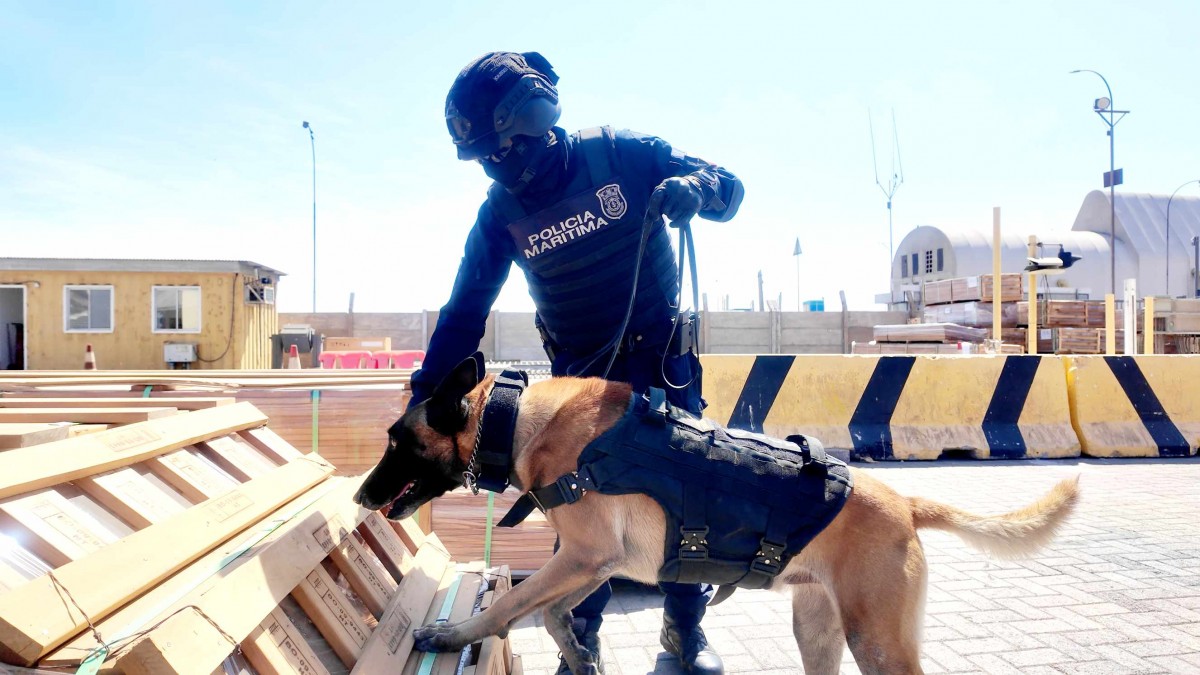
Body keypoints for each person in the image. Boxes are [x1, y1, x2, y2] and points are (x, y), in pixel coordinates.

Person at [409, 51, 744, 675]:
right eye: (480, 158)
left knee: (684, 500)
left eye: (498, 152)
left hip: (658, 367)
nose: (492, 167)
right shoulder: (500, 215)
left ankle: (684, 633)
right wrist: (424, 397)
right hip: (579, 387)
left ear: (534, 122)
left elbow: (729, 189)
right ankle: (578, 644)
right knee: (579, 519)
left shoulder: (623, 155)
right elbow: (464, 312)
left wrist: (697, 190)